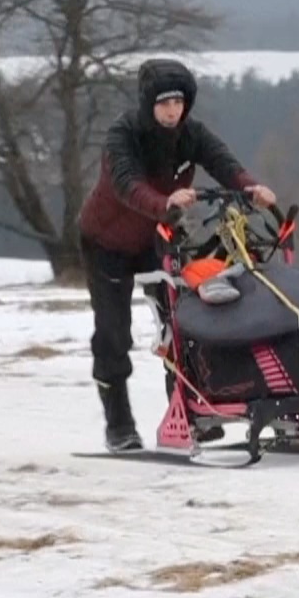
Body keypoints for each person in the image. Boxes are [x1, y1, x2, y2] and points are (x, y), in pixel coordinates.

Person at [78, 58, 277, 452]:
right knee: (114, 334)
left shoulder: (191, 134)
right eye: (164, 103)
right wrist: (165, 203)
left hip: (158, 239)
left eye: (179, 102)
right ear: (148, 104)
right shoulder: (123, 135)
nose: (172, 111)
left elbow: (223, 163)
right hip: (107, 243)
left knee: (183, 326)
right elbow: (127, 185)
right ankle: (119, 425)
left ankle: (188, 414)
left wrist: (251, 188)